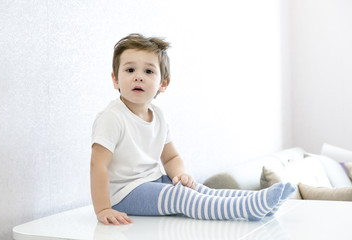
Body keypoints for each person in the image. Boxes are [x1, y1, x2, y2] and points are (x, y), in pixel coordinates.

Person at [90, 33, 296, 225]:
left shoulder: (159, 115)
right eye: (130, 70)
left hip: (152, 182)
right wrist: (103, 209)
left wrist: (180, 175)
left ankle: (256, 200)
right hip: (123, 194)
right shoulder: (112, 117)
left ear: (163, 83)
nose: (139, 76)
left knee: (195, 188)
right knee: (181, 197)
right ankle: (246, 209)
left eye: (148, 71)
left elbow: (170, 158)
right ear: (115, 79)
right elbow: (98, 166)